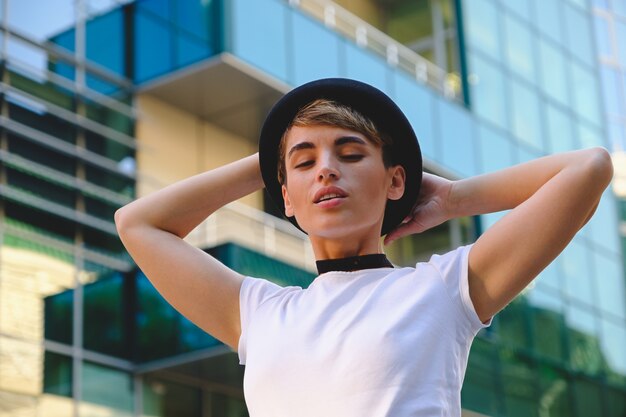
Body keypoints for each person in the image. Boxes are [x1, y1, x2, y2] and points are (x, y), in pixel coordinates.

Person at [115, 78, 614, 416]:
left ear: (395, 181)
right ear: (285, 197)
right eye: (306, 163)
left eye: (350, 152)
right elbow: (138, 223)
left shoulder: (442, 292)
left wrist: (457, 199)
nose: (327, 168)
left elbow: (588, 169)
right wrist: (274, 155)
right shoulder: (261, 313)